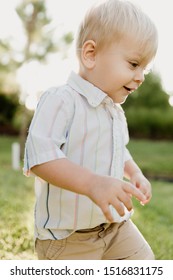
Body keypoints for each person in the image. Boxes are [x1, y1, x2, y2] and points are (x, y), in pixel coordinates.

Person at [24, 0, 158, 260]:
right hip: (68, 237)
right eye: (133, 64)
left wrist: (135, 173)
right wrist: (93, 184)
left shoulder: (114, 111)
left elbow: (119, 151)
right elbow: (40, 157)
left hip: (115, 228)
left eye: (145, 68)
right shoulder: (61, 100)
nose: (141, 76)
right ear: (91, 54)